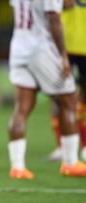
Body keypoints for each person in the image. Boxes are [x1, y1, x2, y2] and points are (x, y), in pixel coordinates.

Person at [8, 0, 86, 179]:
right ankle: (70, 163)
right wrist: (63, 55)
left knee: (21, 109)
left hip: (18, 48)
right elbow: (53, 19)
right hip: (42, 49)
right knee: (68, 102)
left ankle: (17, 167)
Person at [47, 0, 86, 162]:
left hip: (79, 46)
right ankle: (62, 147)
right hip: (63, 46)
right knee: (57, 95)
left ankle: (81, 146)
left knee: (80, 96)